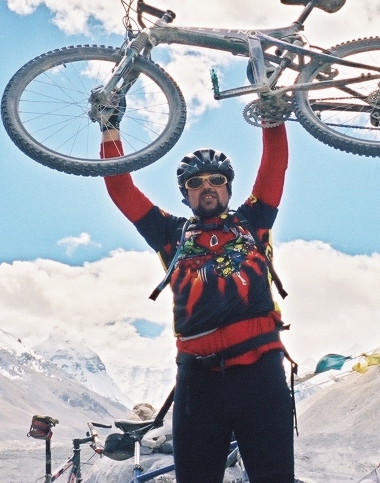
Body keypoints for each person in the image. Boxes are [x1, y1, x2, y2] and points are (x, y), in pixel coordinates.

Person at [100, 109, 294, 483]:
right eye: (195, 182)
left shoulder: (254, 221)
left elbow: (275, 167)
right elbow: (120, 189)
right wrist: (110, 127)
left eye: (216, 180)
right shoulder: (168, 233)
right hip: (198, 383)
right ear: (185, 194)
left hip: (261, 375)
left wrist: (272, 117)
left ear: (228, 188)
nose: (207, 186)